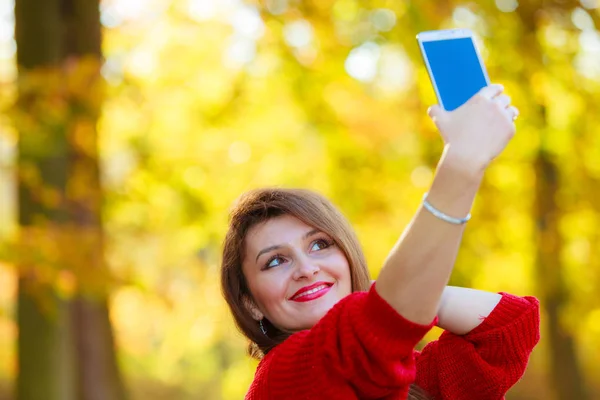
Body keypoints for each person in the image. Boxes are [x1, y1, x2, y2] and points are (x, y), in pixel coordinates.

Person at [221, 84, 540, 399]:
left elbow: (508, 329)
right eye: (275, 261)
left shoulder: (413, 375)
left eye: (320, 245)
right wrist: (461, 162)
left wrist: (410, 295)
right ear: (249, 302)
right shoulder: (280, 382)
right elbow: (371, 333)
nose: (307, 269)